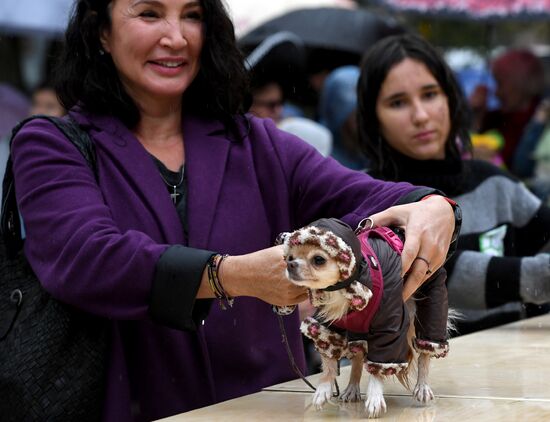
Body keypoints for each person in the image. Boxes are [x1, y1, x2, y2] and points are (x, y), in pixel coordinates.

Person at [10, 2, 456, 421]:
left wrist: (432, 205)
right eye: (149, 13)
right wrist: (231, 276)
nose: (176, 37)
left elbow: (364, 195)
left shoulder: (254, 142)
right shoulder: (52, 144)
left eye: (192, 15)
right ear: (101, 31)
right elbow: (87, 258)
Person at [356, 33, 550, 336]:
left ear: (450, 97)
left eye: (430, 94)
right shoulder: (370, 199)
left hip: (510, 374)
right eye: (398, 102)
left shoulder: (495, 183)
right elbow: (445, 276)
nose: (421, 116)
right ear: (373, 118)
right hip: (415, 379)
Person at [471, 48, 545, 172]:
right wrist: (477, 114)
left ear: (520, 83)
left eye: (500, 83)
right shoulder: (495, 117)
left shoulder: (542, 119)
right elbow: (474, 138)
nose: (496, 93)